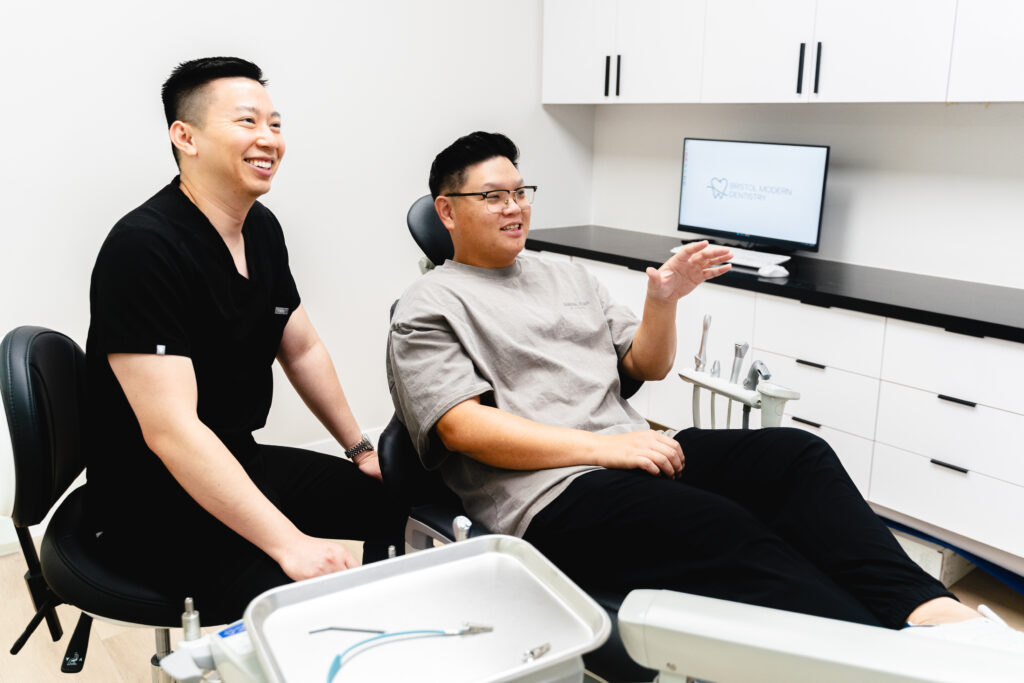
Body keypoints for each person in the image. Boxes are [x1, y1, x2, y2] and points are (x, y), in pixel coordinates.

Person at [387, 131, 1024, 648]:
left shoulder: (567, 275)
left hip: (632, 454)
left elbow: (646, 365)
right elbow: (462, 427)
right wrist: (607, 449)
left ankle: (934, 618)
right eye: (493, 196)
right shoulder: (428, 305)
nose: (515, 207)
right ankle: (880, 657)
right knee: (721, 526)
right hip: (553, 494)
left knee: (795, 456)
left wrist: (663, 302)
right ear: (447, 211)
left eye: (520, 191)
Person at [85, 57, 405, 619]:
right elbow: (173, 432)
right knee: (309, 599)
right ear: (185, 137)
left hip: (237, 459)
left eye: (275, 124)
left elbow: (301, 347)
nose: (268, 138)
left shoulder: (261, 228)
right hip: (150, 500)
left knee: (396, 499)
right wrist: (291, 544)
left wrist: (359, 448)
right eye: (247, 121)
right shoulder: (142, 248)